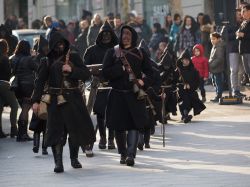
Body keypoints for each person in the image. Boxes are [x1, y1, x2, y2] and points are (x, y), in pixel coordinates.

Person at [31, 29, 95, 173]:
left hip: (73, 99)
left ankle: (74, 158)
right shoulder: (46, 60)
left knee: (75, 131)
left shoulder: (74, 57)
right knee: (56, 132)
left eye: (61, 44)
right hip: (55, 100)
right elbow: (39, 82)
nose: (60, 46)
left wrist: (72, 70)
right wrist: (35, 101)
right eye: (57, 44)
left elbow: (86, 74)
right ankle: (58, 163)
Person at [102, 25, 153, 166]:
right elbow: (105, 72)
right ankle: (123, 154)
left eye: (128, 34)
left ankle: (131, 154)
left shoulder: (140, 52)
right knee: (119, 126)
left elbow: (151, 72)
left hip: (134, 94)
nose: (125, 37)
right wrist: (119, 69)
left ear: (133, 37)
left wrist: (144, 81)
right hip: (117, 94)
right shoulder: (112, 52)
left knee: (134, 125)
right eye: (123, 34)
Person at [83, 21, 118, 152]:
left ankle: (111, 139)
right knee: (100, 113)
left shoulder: (118, 50)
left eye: (109, 34)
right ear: (100, 35)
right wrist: (93, 71)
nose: (107, 36)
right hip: (98, 85)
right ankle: (102, 138)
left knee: (114, 113)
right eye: (104, 34)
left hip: (114, 85)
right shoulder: (92, 50)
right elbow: (85, 68)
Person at [10, 40, 38, 142]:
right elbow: (37, 68)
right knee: (25, 108)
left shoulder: (13, 58)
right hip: (27, 86)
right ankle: (23, 134)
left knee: (23, 108)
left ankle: (20, 133)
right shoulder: (29, 59)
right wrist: (34, 57)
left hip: (16, 86)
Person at [29, 35, 49, 155]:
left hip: (39, 91)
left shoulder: (38, 58)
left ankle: (40, 145)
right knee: (44, 120)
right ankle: (42, 146)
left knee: (40, 120)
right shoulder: (44, 59)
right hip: (42, 91)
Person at [175, 49, 206, 123]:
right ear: (181, 60)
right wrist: (181, 85)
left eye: (187, 60)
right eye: (184, 60)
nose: (186, 61)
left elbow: (197, 82)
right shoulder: (178, 70)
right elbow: (174, 81)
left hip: (191, 91)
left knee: (190, 99)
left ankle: (185, 115)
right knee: (183, 100)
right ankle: (184, 116)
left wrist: (190, 85)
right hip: (180, 91)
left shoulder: (194, 70)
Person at [0, 39, 18, 138]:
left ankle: (0, 131)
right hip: (5, 84)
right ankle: (13, 129)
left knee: (0, 107)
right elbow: (8, 73)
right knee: (14, 106)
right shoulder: (5, 58)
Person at [237, 4, 250, 91]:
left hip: (249, 50)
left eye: (243, 11)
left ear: (249, 11)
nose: (242, 13)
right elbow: (239, 33)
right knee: (248, 72)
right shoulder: (244, 22)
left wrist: (243, 34)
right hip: (243, 50)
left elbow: (245, 34)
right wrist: (238, 34)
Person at [209, 32, 225, 102]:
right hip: (213, 69)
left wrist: (211, 65)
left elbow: (219, 58)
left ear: (218, 39)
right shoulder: (214, 46)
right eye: (211, 39)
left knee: (218, 82)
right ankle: (217, 95)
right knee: (214, 82)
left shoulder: (219, 47)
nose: (212, 40)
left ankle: (219, 95)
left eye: (214, 39)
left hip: (217, 69)